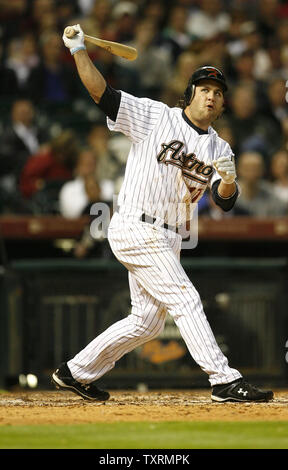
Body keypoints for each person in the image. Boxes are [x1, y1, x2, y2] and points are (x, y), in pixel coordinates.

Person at [51, 24, 274, 404]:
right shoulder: (157, 116)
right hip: (136, 225)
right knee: (186, 299)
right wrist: (78, 51)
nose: (211, 96)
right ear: (190, 94)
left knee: (147, 322)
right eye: (204, 89)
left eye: (218, 93)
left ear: (222, 105)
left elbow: (225, 202)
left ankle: (75, 372)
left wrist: (229, 181)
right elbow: (101, 94)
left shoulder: (221, 147)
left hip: (172, 238)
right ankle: (223, 379)